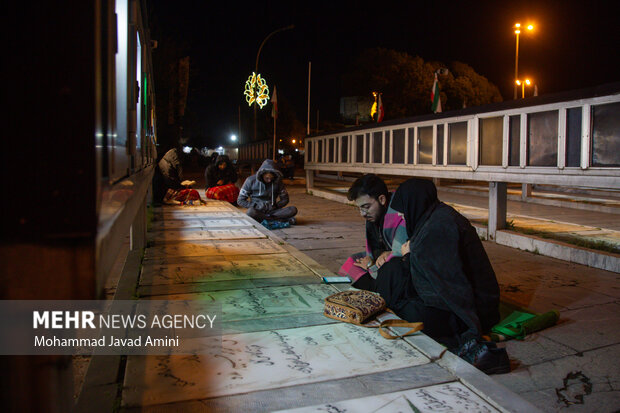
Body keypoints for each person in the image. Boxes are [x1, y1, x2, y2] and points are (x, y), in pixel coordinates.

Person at [341, 174, 509, 374]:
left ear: (415, 204)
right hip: (455, 301)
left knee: (403, 303)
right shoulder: (433, 219)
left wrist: (408, 257)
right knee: (393, 278)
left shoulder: (438, 226)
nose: (402, 217)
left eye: (404, 213)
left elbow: (450, 286)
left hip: (472, 309)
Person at [237, 159, 298, 224]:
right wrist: (255, 205)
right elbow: (240, 200)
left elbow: (285, 199)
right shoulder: (250, 180)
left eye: (271, 178)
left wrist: (276, 206)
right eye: (267, 178)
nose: (269, 180)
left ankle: (266, 219)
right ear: (262, 174)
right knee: (250, 212)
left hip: (273, 210)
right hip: (257, 210)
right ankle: (280, 220)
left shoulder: (278, 181)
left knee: (293, 210)